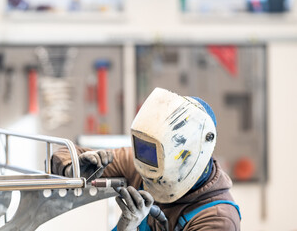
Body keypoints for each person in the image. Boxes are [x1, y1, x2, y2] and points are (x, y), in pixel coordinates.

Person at [51, 87, 241, 231]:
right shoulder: (141, 161)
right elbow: (63, 154)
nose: (146, 166)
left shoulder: (217, 218)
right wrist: (73, 170)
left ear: (185, 153)